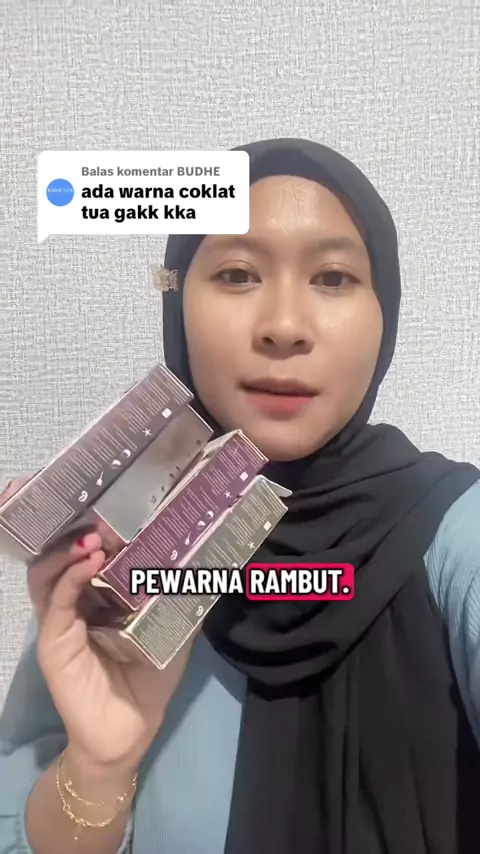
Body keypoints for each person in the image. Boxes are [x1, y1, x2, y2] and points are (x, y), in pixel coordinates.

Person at [0, 137, 479, 854]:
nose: (283, 326)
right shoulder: (111, 566)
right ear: (177, 303)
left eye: (334, 278)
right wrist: (102, 765)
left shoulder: (456, 536)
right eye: (237, 273)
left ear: (386, 313)